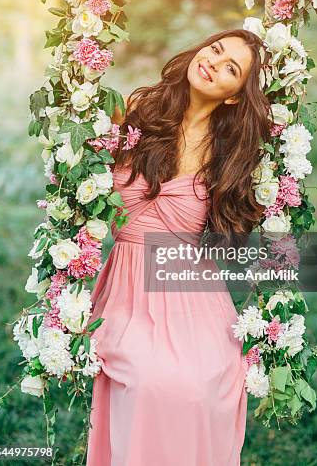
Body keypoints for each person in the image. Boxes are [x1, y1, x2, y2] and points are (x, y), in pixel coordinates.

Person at [86, 28, 272, 466]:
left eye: (231, 68)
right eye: (216, 49)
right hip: (129, 284)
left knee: (199, 387)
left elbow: (238, 235)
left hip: (190, 289)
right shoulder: (137, 113)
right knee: (149, 381)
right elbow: (86, 187)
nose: (213, 62)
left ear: (233, 95)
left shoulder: (231, 152)